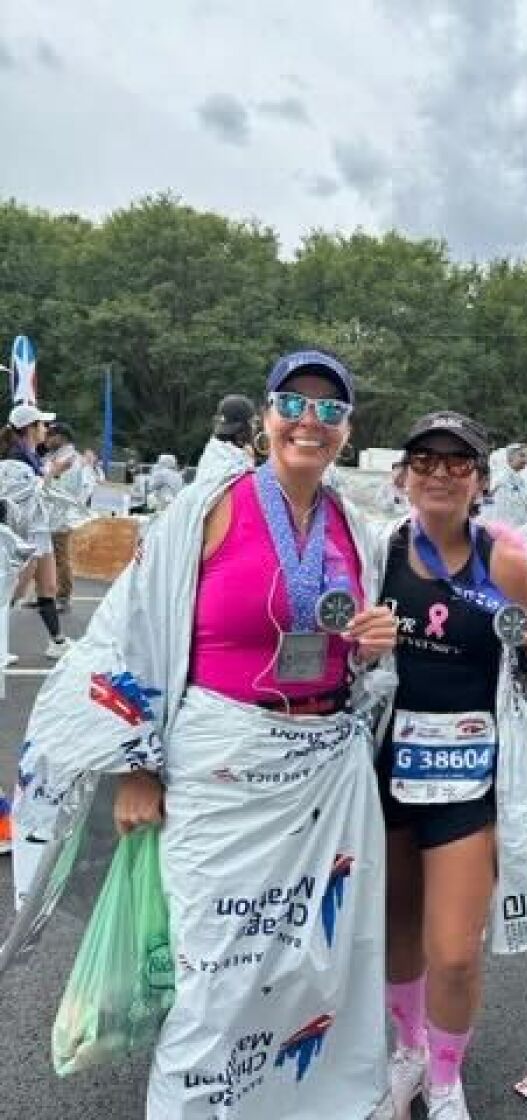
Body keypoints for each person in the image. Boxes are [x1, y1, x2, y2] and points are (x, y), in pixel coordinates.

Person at [11, 350, 400, 1119]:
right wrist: (135, 766)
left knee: (310, 966)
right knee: (216, 972)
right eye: (295, 403)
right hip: (221, 768)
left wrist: (368, 645)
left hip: (323, 772)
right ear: (265, 417)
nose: (309, 422)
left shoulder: (354, 527)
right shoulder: (209, 506)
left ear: (347, 431)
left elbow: (344, 653)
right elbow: (131, 632)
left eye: (330, 410)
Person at [377, 411, 527, 1120]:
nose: (439, 473)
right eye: (425, 460)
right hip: (384, 770)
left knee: (453, 950)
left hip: (468, 774)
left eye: (458, 464)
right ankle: (406, 1053)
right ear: (403, 475)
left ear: (481, 482)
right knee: (397, 927)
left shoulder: (505, 562)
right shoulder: (378, 552)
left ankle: (448, 1075)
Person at [0, 403, 73, 658]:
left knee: (48, 587)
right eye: (42, 424)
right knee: (13, 591)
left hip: (40, 531)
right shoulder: (13, 460)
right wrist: (53, 472)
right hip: (25, 534)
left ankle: (57, 641)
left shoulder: (31, 456)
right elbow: (20, 498)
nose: (46, 429)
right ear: (30, 428)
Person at [43, 421, 92, 610]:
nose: (47, 438)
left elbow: (65, 489)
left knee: (60, 556)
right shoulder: (56, 456)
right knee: (51, 556)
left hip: (61, 515)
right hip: (52, 514)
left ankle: (63, 597)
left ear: (61, 438)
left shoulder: (70, 459)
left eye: (51, 435)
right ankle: (50, 594)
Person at [195, 393, 258, 481]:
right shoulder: (236, 467)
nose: (255, 427)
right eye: (253, 422)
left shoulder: (212, 453)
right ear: (244, 427)